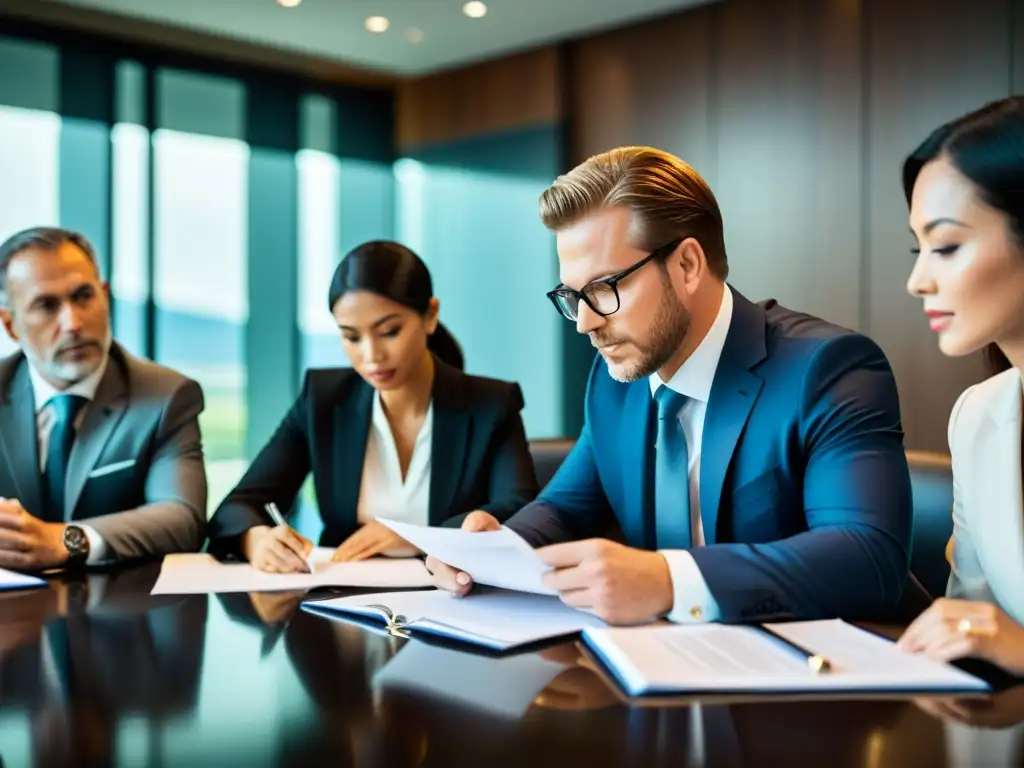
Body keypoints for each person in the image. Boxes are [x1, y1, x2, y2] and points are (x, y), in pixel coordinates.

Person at [427, 146, 913, 626]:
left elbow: (867, 556)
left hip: (817, 680)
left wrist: (670, 581)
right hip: (661, 671)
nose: (584, 323)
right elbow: (565, 508)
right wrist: (494, 550)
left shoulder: (827, 369)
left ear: (686, 266)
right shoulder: (616, 381)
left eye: (603, 288)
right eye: (572, 296)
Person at [207, 240, 538, 573]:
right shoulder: (323, 399)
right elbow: (237, 507)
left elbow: (521, 511)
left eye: (389, 331)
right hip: (342, 601)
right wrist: (258, 539)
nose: (371, 356)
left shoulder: (491, 405)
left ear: (430, 315)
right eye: (352, 337)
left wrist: (418, 538)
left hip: (457, 598)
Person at [898, 96, 1024, 675]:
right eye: (917, 248)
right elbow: (970, 620)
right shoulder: (977, 416)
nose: (918, 280)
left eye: (946, 246)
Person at [0, 227, 207, 570]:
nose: (72, 323)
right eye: (47, 305)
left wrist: (66, 540)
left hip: (117, 615)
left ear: (105, 295)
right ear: (10, 325)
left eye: (83, 296)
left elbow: (182, 517)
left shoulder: (166, 395)